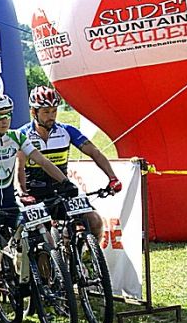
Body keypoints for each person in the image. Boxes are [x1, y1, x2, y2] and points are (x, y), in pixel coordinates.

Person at [0, 94, 78, 323]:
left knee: (37, 235)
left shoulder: (17, 137)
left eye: (7, 115)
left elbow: (41, 160)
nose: (4, 120)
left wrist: (65, 182)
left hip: (11, 205)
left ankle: (37, 283)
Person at [17, 86, 121, 239]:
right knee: (43, 236)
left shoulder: (66, 131)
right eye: (46, 112)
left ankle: (89, 253)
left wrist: (112, 177)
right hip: (34, 193)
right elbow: (18, 168)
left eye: (54, 111)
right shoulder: (22, 135)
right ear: (34, 112)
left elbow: (95, 152)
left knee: (94, 221)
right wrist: (23, 193)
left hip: (62, 189)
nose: (51, 116)